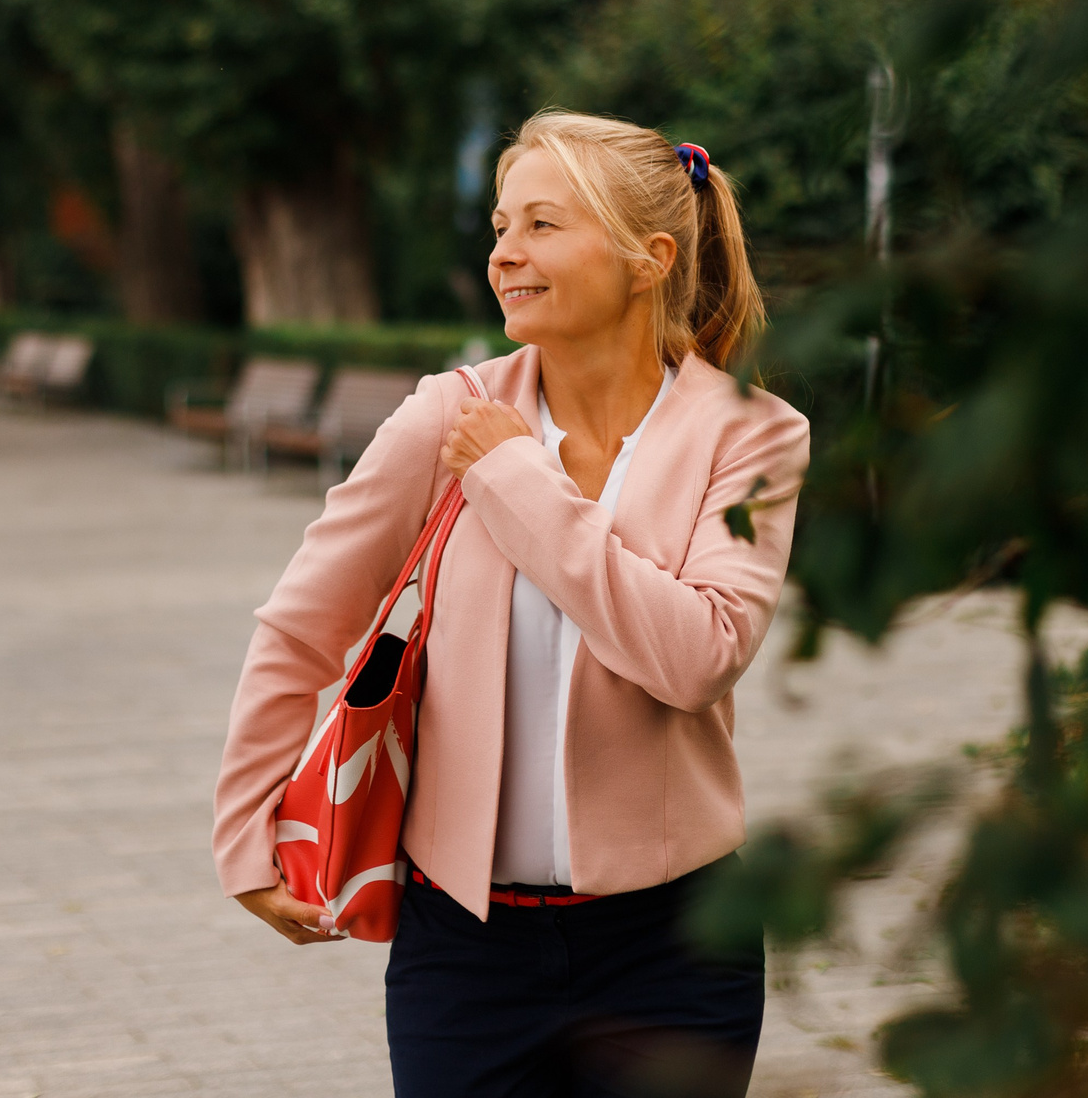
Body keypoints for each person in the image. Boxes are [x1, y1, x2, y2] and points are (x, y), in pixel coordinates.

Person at [212, 109, 810, 1097]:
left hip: (674, 951)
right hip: (463, 950)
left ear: (650, 258)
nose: (504, 253)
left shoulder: (751, 435)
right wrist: (245, 829)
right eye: (499, 227)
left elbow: (698, 655)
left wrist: (518, 478)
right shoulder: (447, 412)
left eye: (542, 224)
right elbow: (302, 624)